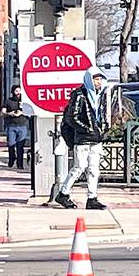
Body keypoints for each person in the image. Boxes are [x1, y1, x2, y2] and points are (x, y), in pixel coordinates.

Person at [55, 71, 108, 210]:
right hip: (83, 139)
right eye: (96, 79)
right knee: (79, 167)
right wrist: (87, 129)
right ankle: (63, 193)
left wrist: (103, 129)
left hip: (96, 139)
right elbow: (72, 117)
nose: (98, 82)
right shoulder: (79, 95)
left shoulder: (100, 95)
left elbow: (101, 115)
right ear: (89, 80)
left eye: (100, 79)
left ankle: (92, 198)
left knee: (94, 169)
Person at [1, 86, 30, 169]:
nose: (18, 93)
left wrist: (21, 112)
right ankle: (11, 159)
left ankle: (20, 164)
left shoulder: (25, 101)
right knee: (11, 144)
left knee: (20, 146)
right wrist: (10, 113)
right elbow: (2, 113)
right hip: (11, 126)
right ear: (13, 92)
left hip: (22, 125)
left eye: (20, 91)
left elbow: (30, 112)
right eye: (16, 91)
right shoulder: (8, 101)